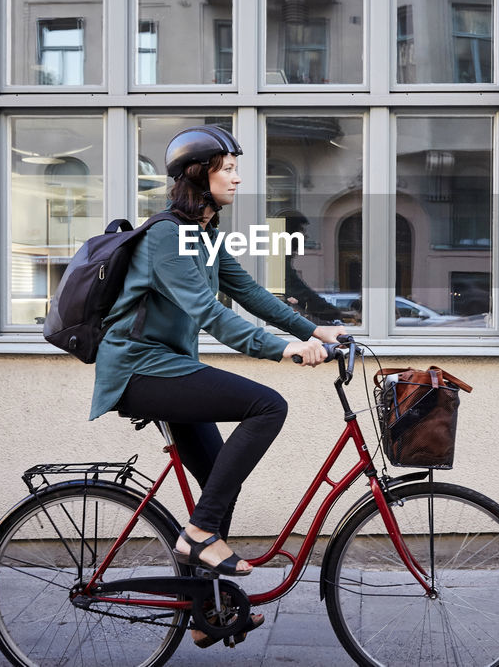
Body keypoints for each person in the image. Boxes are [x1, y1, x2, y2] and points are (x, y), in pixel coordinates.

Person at [91, 125, 346, 647]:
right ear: (197, 175)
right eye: (226, 168)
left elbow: (248, 290)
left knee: (217, 489)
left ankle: (203, 612)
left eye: (235, 167)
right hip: (140, 372)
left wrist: (314, 329)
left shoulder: (202, 234)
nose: (237, 176)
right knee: (266, 405)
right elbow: (207, 311)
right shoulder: (165, 235)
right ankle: (199, 536)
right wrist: (282, 349)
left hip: (170, 369)